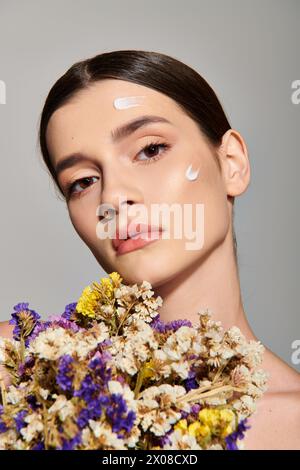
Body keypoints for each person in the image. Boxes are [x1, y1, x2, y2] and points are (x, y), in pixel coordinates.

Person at [0, 50, 299, 449]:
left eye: (151, 150)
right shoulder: (19, 371)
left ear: (231, 163)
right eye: (83, 181)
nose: (115, 196)